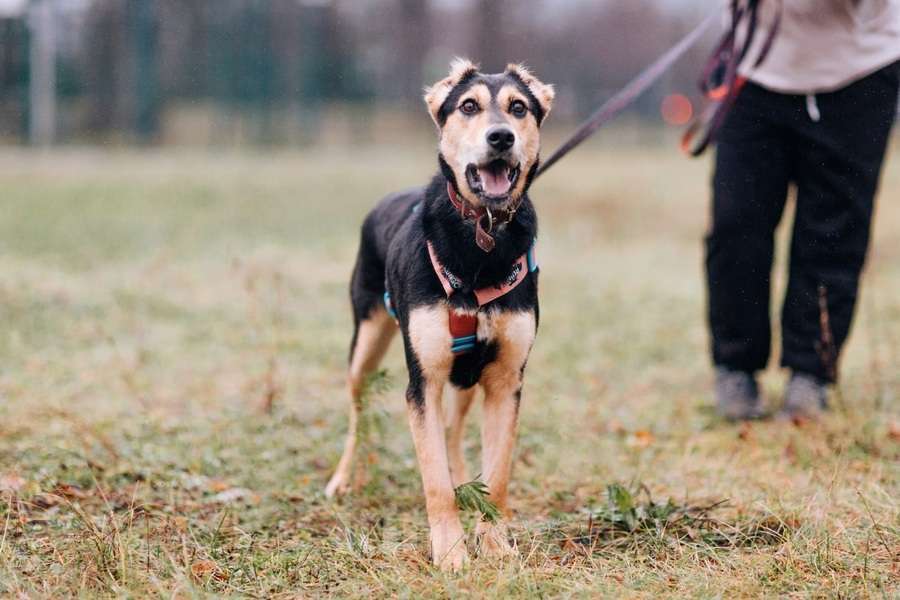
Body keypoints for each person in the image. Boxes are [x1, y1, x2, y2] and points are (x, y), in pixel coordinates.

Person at [708, 0, 900, 420]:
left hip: (858, 70)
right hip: (753, 65)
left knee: (833, 232)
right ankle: (735, 367)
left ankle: (811, 373)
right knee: (736, 224)